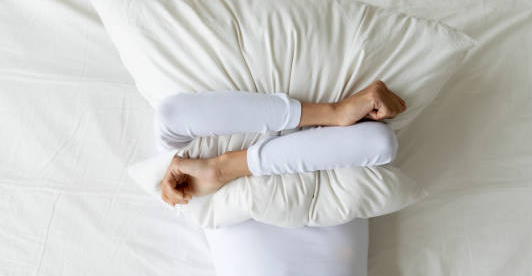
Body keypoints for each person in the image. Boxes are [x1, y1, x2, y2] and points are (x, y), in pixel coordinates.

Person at [156, 80, 406, 207]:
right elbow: (379, 143)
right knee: (382, 143)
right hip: (260, 183)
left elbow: (171, 114)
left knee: (170, 117)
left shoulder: (171, 174)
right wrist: (224, 169)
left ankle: (330, 114)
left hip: (270, 134)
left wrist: (334, 112)